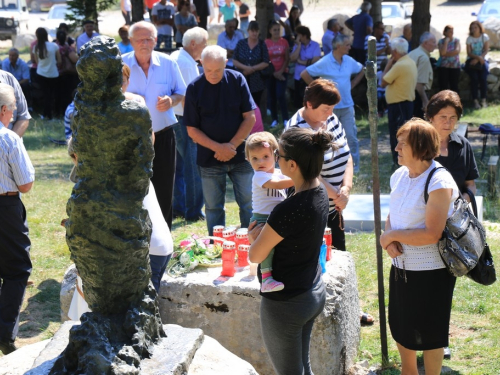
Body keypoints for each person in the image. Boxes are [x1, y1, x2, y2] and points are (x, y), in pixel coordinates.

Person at [247, 126, 331, 375]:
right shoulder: (320, 192)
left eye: (278, 156)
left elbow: (255, 255)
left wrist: (255, 237)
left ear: (292, 165)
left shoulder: (288, 209)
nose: (274, 160)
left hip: (287, 303)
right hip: (312, 290)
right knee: (304, 368)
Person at [380, 118, 459, 375]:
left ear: (421, 146)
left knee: (431, 331)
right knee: (402, 325)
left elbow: (431, 234)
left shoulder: (439, 181)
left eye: (402, 144)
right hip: (401, 266)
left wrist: (391, 236)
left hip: (432, 271)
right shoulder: (399, 175)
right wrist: (390, 238)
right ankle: (409, 372)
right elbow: (393, 214)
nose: (396, 148)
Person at [183, 45, 256, 235]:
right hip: (209, 158)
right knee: (213, 207)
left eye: (218, 70)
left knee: (249, 203)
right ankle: (216, 247)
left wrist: (231, 146)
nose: (213, 75)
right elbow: (192, 129)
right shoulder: (194, 88)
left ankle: (252, 243)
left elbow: (250, 117)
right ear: (200, 64)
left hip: (240, 154)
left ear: (226, 63)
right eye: (208, 70)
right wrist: (219, 148)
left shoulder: (237, 79)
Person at [122, 21, 186, 229]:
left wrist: (171, 101)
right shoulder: (121, 65)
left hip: (163, 134)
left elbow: (181, 92)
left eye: (149, 38)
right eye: (139, 39)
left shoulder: (168, 63)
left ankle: (164, 237)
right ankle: (137, 235)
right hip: (131, 138)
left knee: (164, 187)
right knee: (134, 187)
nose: (144, 43)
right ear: (131, 41)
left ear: (156, 40)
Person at [0, 83, 35, 355]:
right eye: (12, 110)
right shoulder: (9, 139)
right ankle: (4, 332)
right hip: (6, 208)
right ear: (3, 110)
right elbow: (25, 185)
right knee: (16, 270)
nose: (13, 116)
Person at [301, 33, 365, 173]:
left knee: (351, 137)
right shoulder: (325, 61)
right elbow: (304, 74)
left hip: (347, 105)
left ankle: (355, 169)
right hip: (329, 108)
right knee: (328, 138)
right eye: (347, 44)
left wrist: (354, 82)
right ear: (338, 46)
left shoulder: (348, 60)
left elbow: (362, 69)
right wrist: (319, 91)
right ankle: (330, 168)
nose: (350, 47)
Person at [245, 132, 294, 292]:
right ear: (248, 159)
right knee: (266, 247)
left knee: (277, 245)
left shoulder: (279, 173)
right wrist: (299, 178)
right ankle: (266, 278)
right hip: (262, 218)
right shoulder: (259, 176)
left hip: (275, 216)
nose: (260, 162)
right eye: (255, 158)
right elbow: (278, 185)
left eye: (265, 156)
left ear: (276, 155)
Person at [171, 27, 208, 221]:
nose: (206, 47)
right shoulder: (186, 63)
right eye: (204, 43)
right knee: (193, 167)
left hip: (174, 119)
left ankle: (178, 207)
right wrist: (195, 122)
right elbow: (188, 97)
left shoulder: (177, 55)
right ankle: (193, 211)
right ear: (193, 44)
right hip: (185, 119)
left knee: (178, 166)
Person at [427, 90, 478, 201]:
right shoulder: (419, 144)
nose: (448, 123)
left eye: (452, 118)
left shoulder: (464, 145)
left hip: (457, 213)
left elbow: (471, 185)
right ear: (431, 117)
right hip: (423, 212)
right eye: (443, 117)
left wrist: (462, 204)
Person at [381, 37, 417, 166]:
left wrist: (389, 64)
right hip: (406, 103)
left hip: (399, 104)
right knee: (404, 133)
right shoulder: (410, 62)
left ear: (395, 51)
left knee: (397, 134)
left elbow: (383, 82)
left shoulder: (399, 65)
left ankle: (398, 161)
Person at [232, 20, 270, 108]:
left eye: (256, 31)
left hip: (257, 81)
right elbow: (234, 60)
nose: (254, 33)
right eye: (252, 31)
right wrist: (245, 68)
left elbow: (266, 62)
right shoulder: (241, 43)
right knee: (241, 103)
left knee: (255, 105)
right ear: (248, 31)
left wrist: (252, 68)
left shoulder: (262, 44)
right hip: (242, 78)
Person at [33, 27, 61, 120]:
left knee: (46, 95)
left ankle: (46, 114)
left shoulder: (36, 47)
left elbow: (37, 62)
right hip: (53, 74)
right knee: (52, 95)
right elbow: (59, 60)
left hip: (41, 74)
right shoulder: (54, 46)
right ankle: (51, 114)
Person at [289, 25, 321, 109]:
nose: (296, 37)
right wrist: (299, 46)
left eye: (298, 35)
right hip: (298, 76)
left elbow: (315, 60)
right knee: (299, 99)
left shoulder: (315, 45)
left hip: (311, 75)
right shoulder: (297, 45)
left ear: (304, 36)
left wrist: (300, 61)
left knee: (311, 98)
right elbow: (292, 58)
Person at [265, 19, 289, 128]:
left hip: (283, 72)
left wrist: (280, 72)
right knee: (272, 96)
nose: (276, 32)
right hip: (271, 74)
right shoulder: (266, 43)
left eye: (278, 30)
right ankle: (274, 119)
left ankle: (285, 119)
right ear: (270, 31)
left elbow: (287, 58)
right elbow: (265, 59)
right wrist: (274, 73)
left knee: (280, 95)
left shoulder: (284, 42)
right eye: (274, 30)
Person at [408, 32, 436, 119]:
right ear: (425, 43)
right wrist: (425, 101)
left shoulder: (413, 53)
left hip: (409, 94)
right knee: (419, 126)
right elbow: (419, 83)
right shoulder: (423, 57)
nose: (435, 45)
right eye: (433, 42)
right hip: (418, 96)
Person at [465, 21, 490, 110]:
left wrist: (479, 58)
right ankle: (475, 101)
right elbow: (469, 52)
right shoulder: (469, 39)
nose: (474, 29)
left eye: (475, 27)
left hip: (482, 59)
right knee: (474, 79)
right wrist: (476, 58)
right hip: (472, 60)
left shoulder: (484, 37)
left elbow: (486, 50)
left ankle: (483, 100)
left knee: (483, 78)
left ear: (480, 28)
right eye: (472, 28)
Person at [0, 71, 31, 137]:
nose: (14, 108)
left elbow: (23, 117)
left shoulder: (9, 79)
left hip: (11, 140)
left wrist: (10, 142)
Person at [56, 30, 79, 116]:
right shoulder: (67, 48)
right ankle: (66, 111)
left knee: (59, 94)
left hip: (57, 74)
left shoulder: (55, 47)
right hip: (67, 74)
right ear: (66, 38)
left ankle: (58, 112)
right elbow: (74, 59)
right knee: (67, 94)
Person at [437, 26, 461, 93]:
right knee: (443, 85)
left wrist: (446, 54)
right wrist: (446, 42)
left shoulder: (456, 40)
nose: (452, 33)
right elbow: (442, 53)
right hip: (444, 66)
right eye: (450, 31)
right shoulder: (441, 41)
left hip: (455, 66)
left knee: (454, 85)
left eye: (452, 31)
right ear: (445, 32)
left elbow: (457, 51)